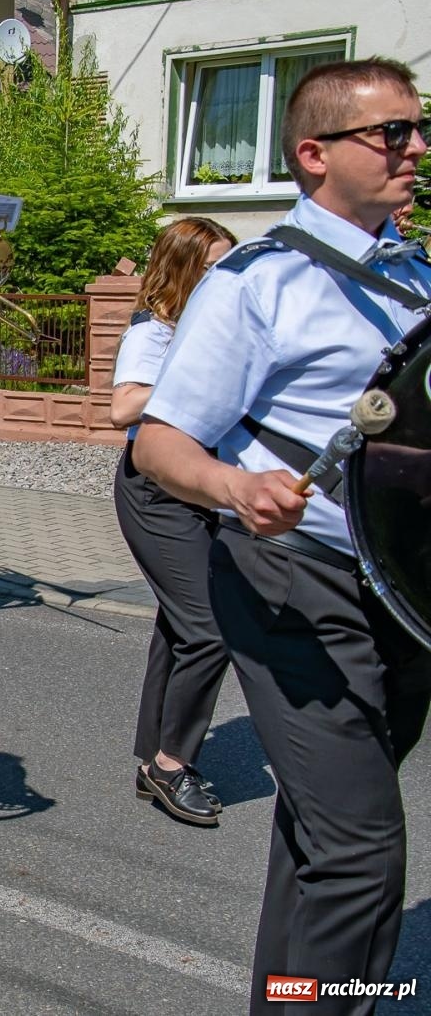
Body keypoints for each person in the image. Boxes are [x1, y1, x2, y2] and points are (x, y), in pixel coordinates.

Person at [134, 58, 431, 1013]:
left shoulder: (419, 275)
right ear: (315, 153)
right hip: (291, 577)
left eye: (419, 130)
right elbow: (158, 443)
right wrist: (235, 484)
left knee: (320, 829)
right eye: (393, 133)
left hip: (400, 586)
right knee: (362, 855)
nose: (416, 149)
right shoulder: (256, 283)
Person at [109, 217, 236, 827]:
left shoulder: (206, 329)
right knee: (209, 629)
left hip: (198, 490)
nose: (225, 278)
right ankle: (171, 763)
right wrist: (186, 367)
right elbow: (122, 407)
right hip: (154, 493)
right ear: (184, 269)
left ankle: (154, 754)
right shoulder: (154, 334)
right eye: (214, 267)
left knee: (179, 622)